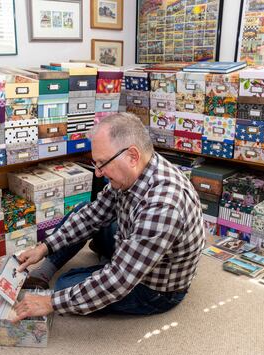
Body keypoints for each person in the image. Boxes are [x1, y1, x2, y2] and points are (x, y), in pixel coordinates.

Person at [13, 113, 205, 322]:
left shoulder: (164, 205)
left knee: (65, 286)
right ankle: (49, 268)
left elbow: (120, 280)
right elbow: (93, 215)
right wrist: (44, 247)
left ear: (132, 156)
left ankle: (106, 264)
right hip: (137, 242)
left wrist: (50, 303)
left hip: (155, 289)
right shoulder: (137, 169)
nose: (98, 173)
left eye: (102, 163)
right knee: (84, 210)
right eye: (96, 163)